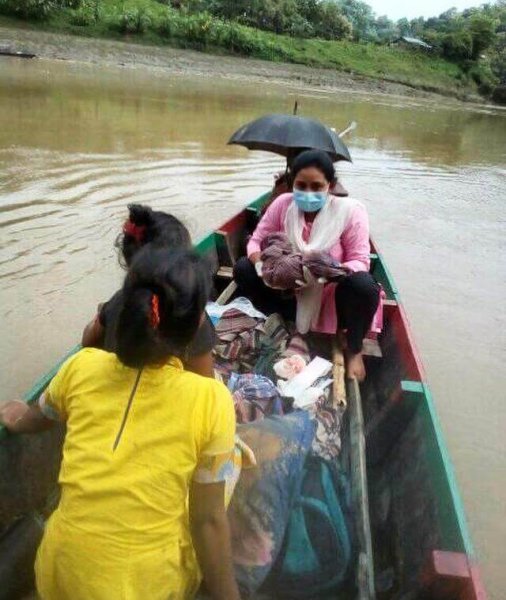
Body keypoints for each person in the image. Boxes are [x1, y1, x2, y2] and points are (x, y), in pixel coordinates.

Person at [0, 247, 240, 600]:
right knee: (231, 462)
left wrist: (15, 416)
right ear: (195, 331)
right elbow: (207, 522)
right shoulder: (212, 400)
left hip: (57, 572)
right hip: (142, 588)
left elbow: (37, 418)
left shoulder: (80, 366)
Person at [234, 149, 381, 381]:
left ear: (330, 185)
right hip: (288, 292)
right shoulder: (283, 204)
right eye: (301, 186)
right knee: (244, 268)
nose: (308, 193)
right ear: (292, 184)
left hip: (330, 297)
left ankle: (354, 350)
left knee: (364, 286)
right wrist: (264, 268)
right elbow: (254, 242)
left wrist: (329, 269)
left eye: (317, 186)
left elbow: (360, 260)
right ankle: (279, 324)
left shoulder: (351, 212)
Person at [82, 204, 216, 378]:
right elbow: (206, 378)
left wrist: (100, 314)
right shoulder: (192, 317)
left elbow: (87, 342)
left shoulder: (117, 301)